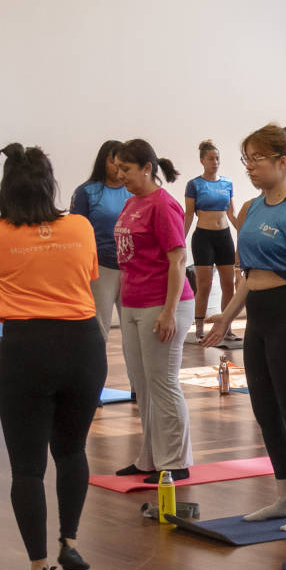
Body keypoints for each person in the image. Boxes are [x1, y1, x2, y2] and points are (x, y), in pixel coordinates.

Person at [0, 144, 105, 570]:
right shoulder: (80, 226)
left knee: (27, 468)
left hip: (26, 349)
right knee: (71, 450)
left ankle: (37, 569)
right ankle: (70, 542)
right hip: (83, 346)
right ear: (49, 183)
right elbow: (89, 274)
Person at [203, 124, 286, 531]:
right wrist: (227, 315)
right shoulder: (251, 209)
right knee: (264, 409)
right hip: (259, 314)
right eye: (247, 159)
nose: (250, 167)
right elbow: (249, 275)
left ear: (283, 161)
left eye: (257, 158)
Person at [110, 139, 193, 484]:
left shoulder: (163, 205)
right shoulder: (131, 202)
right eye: (118, 168)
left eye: (126, 169)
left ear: (147, 168)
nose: (120, 175)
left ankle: (175, 461)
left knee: (162, 382)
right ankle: (149, 458)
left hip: (162, 302)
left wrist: (169, 311)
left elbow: (178, 259)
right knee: (142, 384)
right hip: (133, 301)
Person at [69, 140, 130, 335]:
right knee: (99, 327)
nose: (118, 167)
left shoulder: (133, 190)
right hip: (100, 267)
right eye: (114, 162)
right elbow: (76, 232)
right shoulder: (86, 192)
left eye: (123, 163)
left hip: (131, 267)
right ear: (103, 161)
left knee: (132, 328)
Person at [183, 139, 239, 343]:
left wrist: (244, 231)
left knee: (228, 285)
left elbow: (231, 214)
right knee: (204, 285)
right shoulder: (194, 184)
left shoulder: (227, 183)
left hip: (224, 237)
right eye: (210, 159)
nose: (215, 162)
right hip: (203, 238)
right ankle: (199, 330)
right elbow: (189, 214)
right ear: (202, 161)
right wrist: (179, 240)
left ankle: (227, 327)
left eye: (217, 158)